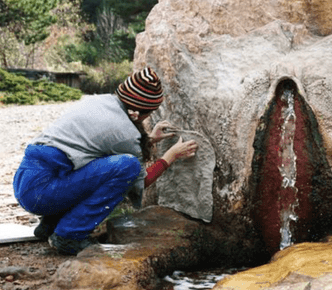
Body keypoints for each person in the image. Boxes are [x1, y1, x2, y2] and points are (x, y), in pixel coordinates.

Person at [12, 66, 197, 255]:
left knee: (100, 164)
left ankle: (51, 223)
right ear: (139, 112)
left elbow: (102, 141)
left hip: (27, 182)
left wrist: (149, 139)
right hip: (41, 192)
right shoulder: (126, 134)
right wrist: (171, 156)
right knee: (128, 167)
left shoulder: (100, 101)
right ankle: (69, 235)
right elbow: (141, 180)